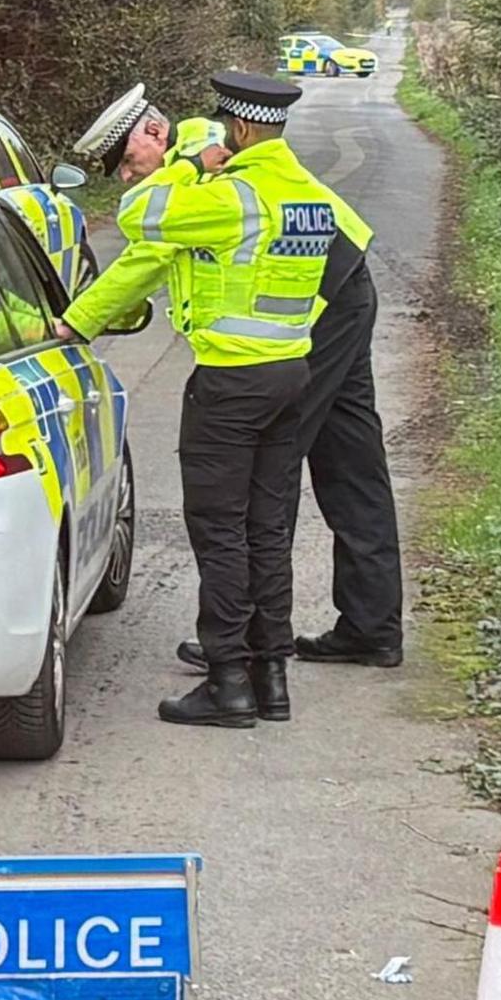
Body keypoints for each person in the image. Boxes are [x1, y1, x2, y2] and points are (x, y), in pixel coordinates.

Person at [55, 72, 341, 728]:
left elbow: (140, 219)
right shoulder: (306, 195)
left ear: (237, 130)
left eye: (129, 162)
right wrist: (82, 320)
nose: (127, 178)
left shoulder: (231, 195)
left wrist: (187, 163)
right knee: (268, 530)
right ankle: (270, 677)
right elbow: (151, 260)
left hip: (230, 383)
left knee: (218, 532)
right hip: (290, 372)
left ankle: (226, 681)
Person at [176, 137, 404, 672]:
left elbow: (144, 257)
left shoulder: (191, 169)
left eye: (125, 164)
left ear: (152, 136)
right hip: (348, 282)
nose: (124, 178)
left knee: (269, 464)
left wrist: (80, 321)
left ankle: (250, 641)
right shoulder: (210, 152)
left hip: (322, 304)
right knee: (350, 461)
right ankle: (372, 628)